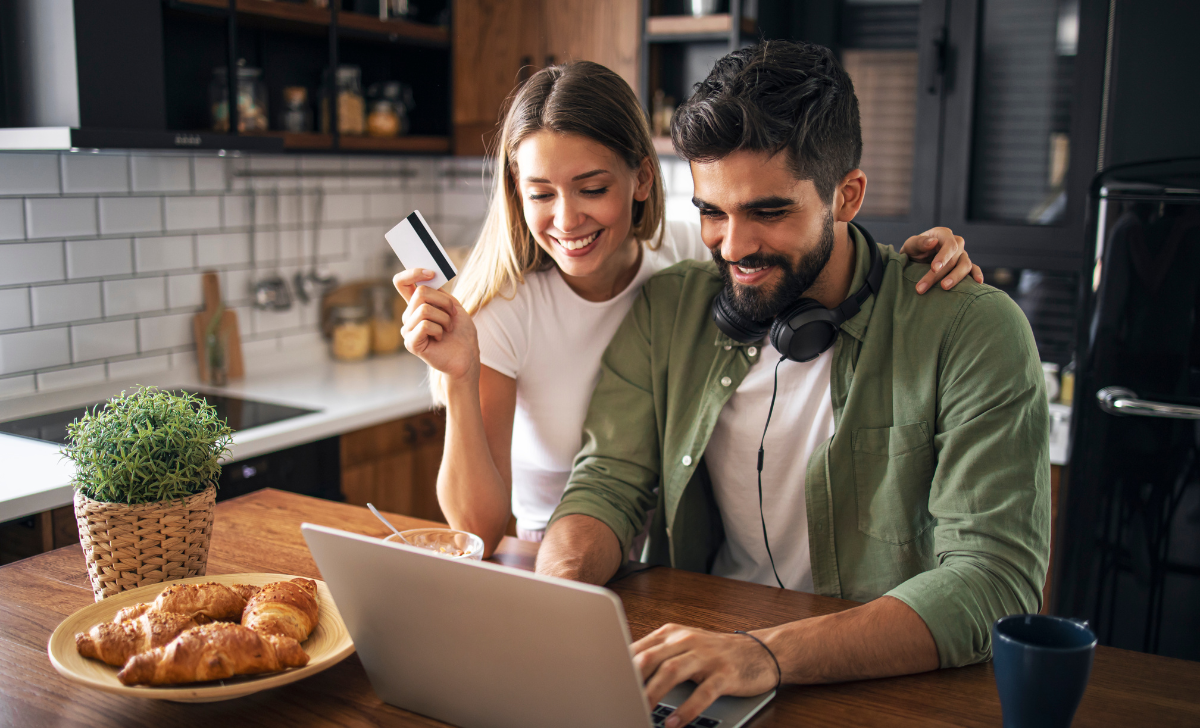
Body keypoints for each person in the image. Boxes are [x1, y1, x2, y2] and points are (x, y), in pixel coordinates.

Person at [534, 43, 1050, 728]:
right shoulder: (670, 309)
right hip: (704, 665)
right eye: (712, 212)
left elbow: (993, 580)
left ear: (847, 196)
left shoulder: (969, 328)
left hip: (882, 690)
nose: (733, 246)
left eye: (769, 212)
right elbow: (607, 483)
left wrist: (764, 654)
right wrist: (552, 600)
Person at [395, 61, 982, 558]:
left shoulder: (687, 255)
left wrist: (903, 268)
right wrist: (461, 378)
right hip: (561, 551)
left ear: (641, 179)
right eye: (541, 193)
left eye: (592, 188)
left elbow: (798, 245)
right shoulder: (505, 311)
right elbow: (475, 529)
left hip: (668, 556)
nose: (567, 219)